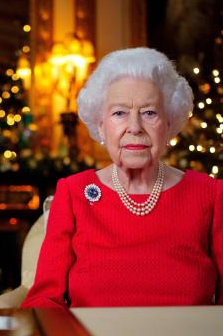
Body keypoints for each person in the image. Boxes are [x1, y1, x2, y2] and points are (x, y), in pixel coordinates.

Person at [21, 47, 223, 308]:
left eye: (149, 112)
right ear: (101, 125)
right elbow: (45, 300)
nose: (135, 127)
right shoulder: (73, 192)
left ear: (169, 124)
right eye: (119, 113)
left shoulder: (209, 193)